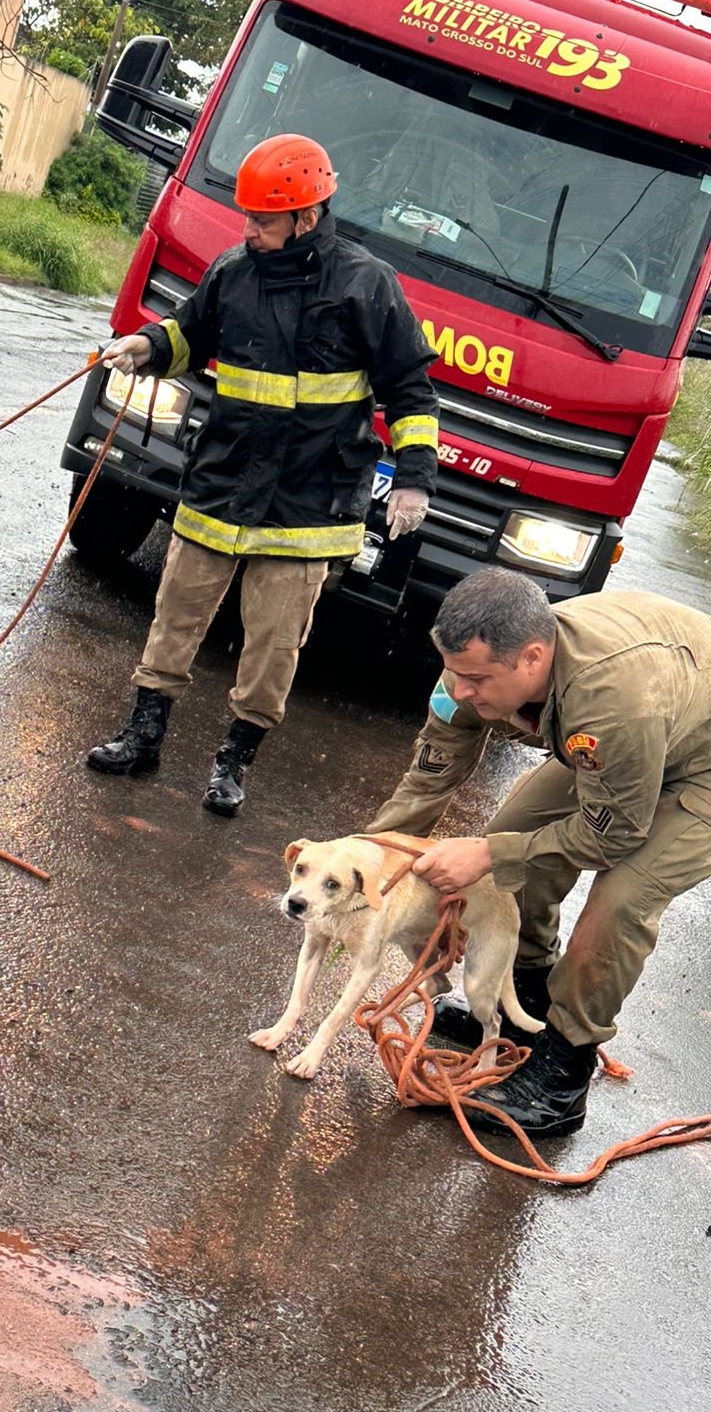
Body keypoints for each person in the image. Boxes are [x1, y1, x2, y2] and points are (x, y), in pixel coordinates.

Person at [87, 133, 440, 816]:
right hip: (221, 485)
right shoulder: (234, 269)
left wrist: (415, 479)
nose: (247, 229)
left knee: (274, 649)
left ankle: (233, 763)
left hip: (309, 505)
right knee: (174, 622)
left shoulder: (366, 285)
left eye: (262, 219)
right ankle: (142, 736)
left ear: (306, 217)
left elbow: (410, 390)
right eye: (247, 216)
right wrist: (147, 346)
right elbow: (193, 332)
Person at [368, 568, 711, 1137]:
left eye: (475, 679)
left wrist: (484, 855)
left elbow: (615, 836)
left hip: (700, 765)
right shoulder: (470, 668)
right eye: (454, 673)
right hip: (647, 736)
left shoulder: (609, 704)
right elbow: (427, 782)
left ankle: (562, 1074)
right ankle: (524, 1008)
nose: (460, 692)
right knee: (511, 849)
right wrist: (365, 862)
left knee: (621, 901)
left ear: (531, 658)